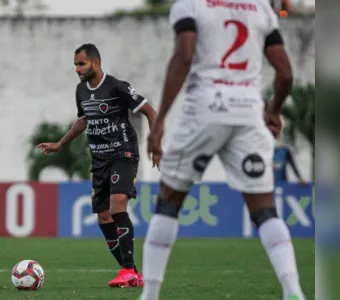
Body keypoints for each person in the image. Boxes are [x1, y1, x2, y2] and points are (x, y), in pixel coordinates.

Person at [140, 0, 305, 299]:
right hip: (247, 113)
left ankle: (149, 295)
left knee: (169, 202)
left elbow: (184, 55)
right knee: (265, 210)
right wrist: (274, 111)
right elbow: (285, 73)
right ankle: (293, 290)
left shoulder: (190, 5)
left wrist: (160, 119)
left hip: (204, 109)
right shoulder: (260, 8)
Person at [37, 43, 159, 288]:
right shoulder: (81, 90)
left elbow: (149, 111)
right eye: (75, 65)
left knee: (117, 207)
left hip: (123, 154)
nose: (77, 69)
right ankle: (132, 272)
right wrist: (60, 143)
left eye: (81, 64)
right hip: (99, 160)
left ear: (95, 63)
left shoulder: (117, 87)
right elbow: (83, 121)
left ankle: (126, 271)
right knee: (104, 217)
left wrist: (156, 143)